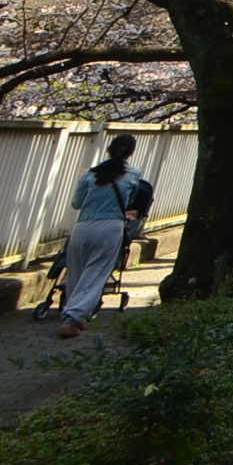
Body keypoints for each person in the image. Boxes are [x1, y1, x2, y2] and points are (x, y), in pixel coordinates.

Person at [57, 134, 149, 338]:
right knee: (96, 273)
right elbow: (132, 199)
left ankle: (70, 314)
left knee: (76, 271)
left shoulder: (90, 174)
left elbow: (76, 203)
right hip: (110, 227)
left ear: (109, 149)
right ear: (131, 153)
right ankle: (74, 316)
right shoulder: (133, 174)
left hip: (82, 227)